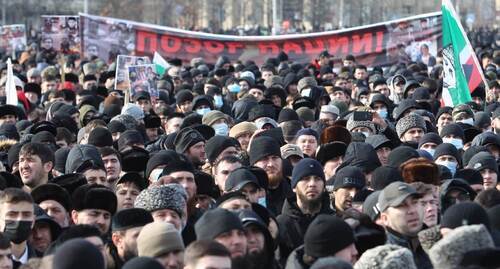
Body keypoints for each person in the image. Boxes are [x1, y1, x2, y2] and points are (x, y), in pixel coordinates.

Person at [277, 158, 334, 264]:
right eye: (305, 179)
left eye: (317, 179)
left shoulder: (334, 221)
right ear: (294, 187)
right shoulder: (282, 224)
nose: (312, 184)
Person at [378, 182, 432, 268]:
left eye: (414, 202)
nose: (412, 210)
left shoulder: (438, 244)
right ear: (385, 219)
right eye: (402, 205)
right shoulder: (383, 260)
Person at [0, 188, 37, 264]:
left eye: (26, 215)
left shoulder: (45, 263)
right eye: (12, 214)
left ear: (33, 221)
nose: (19, 219)